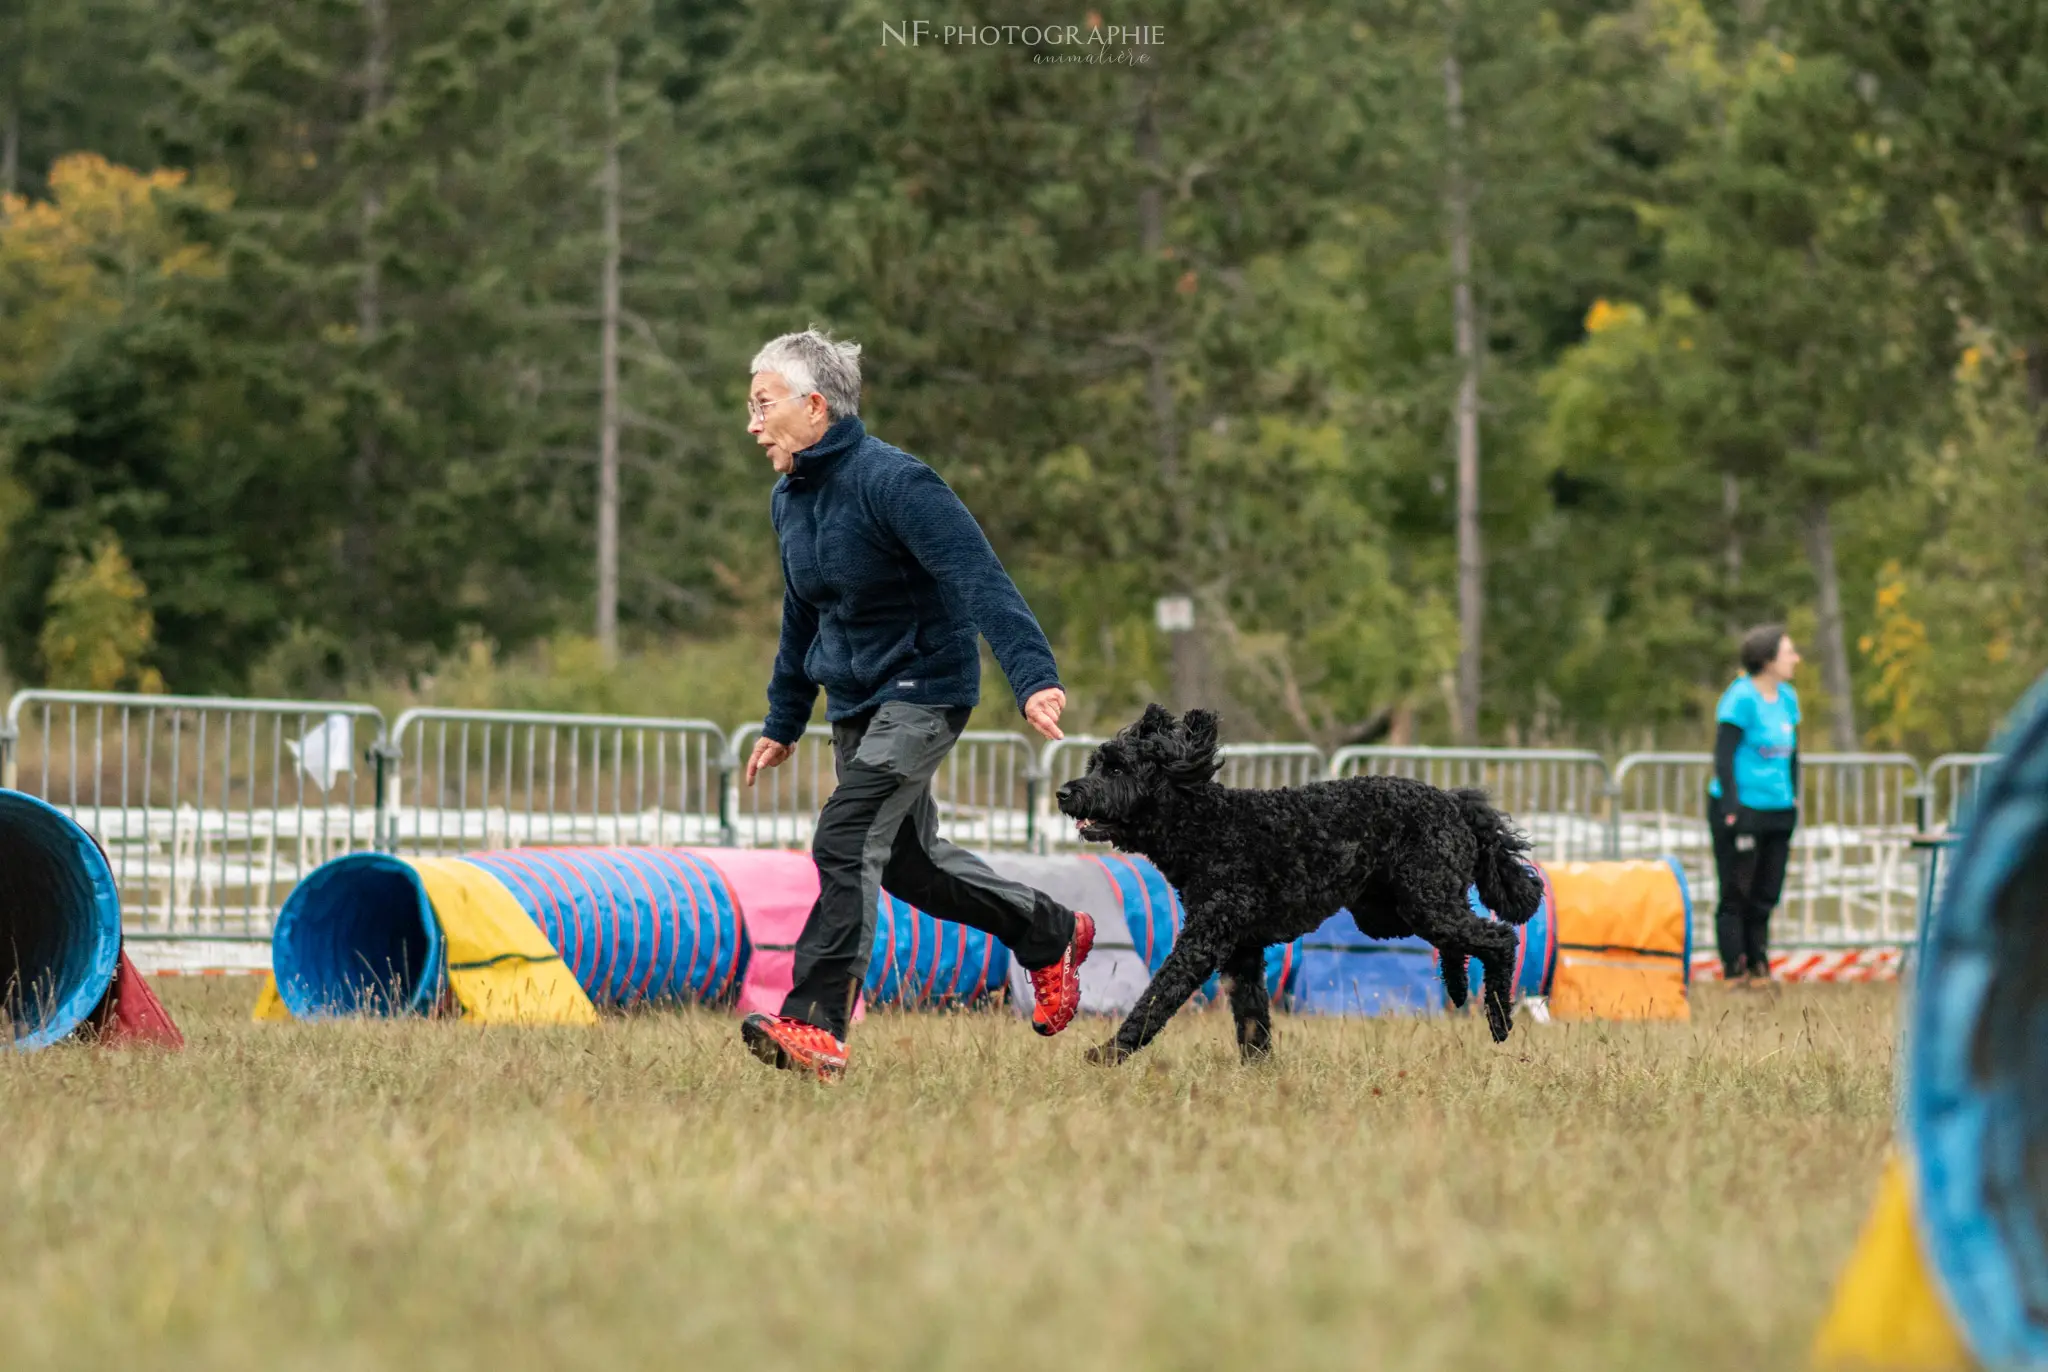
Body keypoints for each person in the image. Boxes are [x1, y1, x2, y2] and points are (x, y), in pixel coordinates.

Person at [736, 328, 1095, 1079]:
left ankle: (817, 1026)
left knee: (844, 836)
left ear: (813, 405)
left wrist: (1033, 677)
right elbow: (803, 614)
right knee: (908, 864)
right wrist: (783, 719)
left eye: (762, 405)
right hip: (857, 700)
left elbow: (979, 576)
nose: (752, 425)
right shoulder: (789, 499)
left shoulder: (896, 483)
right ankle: (1048, 931)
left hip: (925, 690)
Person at [1707, 624, 1803, 986]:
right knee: (1737, 889)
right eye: (1788, 652)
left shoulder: (1789, 698)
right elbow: (1724, 755)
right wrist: (1731, 807)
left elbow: (1794, 754)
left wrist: (1794, 796)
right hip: (1741, 807)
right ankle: (1735, 968)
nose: (1795, 659)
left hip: (1778, 808)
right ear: (1767, 659)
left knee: (1767, 891)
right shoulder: (1740, 698)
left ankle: (1759, 965)